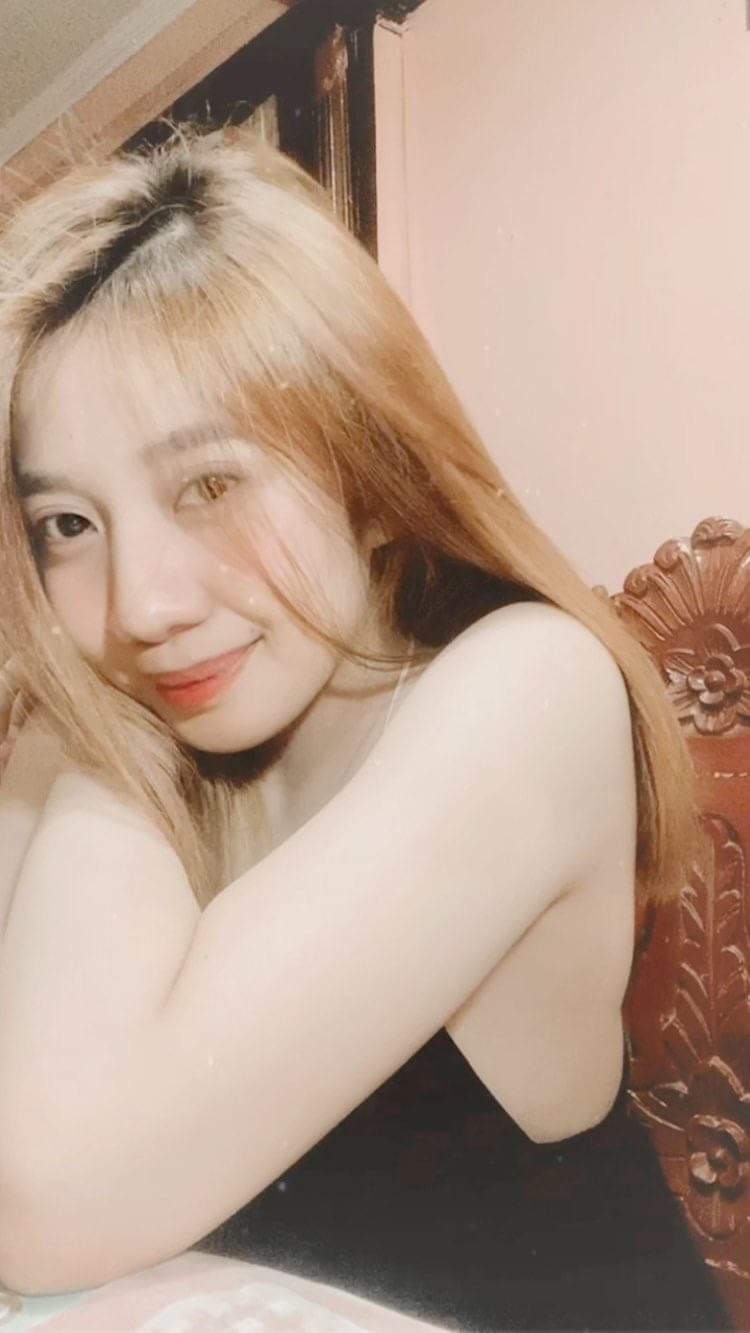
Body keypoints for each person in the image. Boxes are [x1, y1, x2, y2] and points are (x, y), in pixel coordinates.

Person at [0, 124, 725, 1331]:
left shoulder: (528, 691)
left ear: (367, 466)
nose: (140, 605)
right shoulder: (143, 719)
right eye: (68, 524)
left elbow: (44, 1203)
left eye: (210, 485)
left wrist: (90, 738)